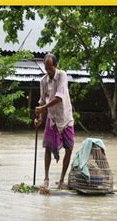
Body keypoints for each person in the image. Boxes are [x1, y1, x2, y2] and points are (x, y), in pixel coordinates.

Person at [34, 53, 74, 189]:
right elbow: (41, 100)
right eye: (46, 69)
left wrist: (43, 108)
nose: (48, 72)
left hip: (65, 117)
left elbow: (59, 97)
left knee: (69, 148)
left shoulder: (62, 75)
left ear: (55, 66)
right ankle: (46, 179)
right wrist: (39, 118)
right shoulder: (43, 81)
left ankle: (62, 180)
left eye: (50, 68)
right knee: (48, 148)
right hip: (52, 118)